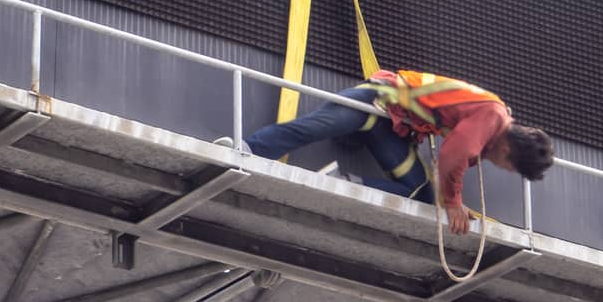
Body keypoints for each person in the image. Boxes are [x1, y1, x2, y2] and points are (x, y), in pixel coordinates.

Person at [234, 69, 555, 235]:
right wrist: (454, 202)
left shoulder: (490, 129)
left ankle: (344, 180)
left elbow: (461, 150)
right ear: (508, 148)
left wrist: (450, 201)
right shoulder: (495, 117)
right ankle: (246, 148)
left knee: (419, 192)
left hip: (391, 128)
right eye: (508, 165)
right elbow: (453, 154)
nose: (501, 167)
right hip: (378, 99)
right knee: (314, 127)